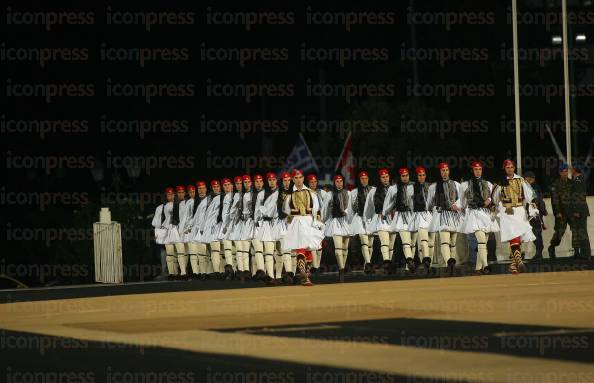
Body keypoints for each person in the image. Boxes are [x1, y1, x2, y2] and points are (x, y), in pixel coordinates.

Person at [281, 169, 325, 286]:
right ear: (292, 179)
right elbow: (286, 211)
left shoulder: (312, 193)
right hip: (297, 223)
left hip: (310, 222)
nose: (299, 180)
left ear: (303, 178)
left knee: (309, 250)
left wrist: (318, 224)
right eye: (296, 178)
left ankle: (306, 273)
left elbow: (316, 210)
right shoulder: (289, 196)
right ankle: (304, 276)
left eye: (300, 177)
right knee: (300, 249)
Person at [492, 159, 535, 274]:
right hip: (507, 212)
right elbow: (495, 199)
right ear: (504, 169)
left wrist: (532, 207)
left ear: (514, 168)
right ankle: (519, 262)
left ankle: (513, 265)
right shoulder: (500, 182)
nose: (510, 169)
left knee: (518, 239)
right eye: (507, 167)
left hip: (519, 211)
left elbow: (529, 195)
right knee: (513, 237)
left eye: (511, 167)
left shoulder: (520, 180)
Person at [459, 161, 499, 275]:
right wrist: (463, 210)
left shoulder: (488, 184)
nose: (478, 171)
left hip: (485, 214)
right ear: (472, 170)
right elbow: (462, 200)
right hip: (474, 213)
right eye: (476, 169)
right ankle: (486, 266)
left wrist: (489, 201)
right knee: (481, 241)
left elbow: (493, 197)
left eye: (479, 169)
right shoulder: (465, 184)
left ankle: (477, 268)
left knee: (483, 244)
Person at [427, 163, 463, 275]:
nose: (445, 172)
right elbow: (429, 203)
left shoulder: (456, 184)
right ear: (440, 172)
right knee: (445, 241)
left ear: (449, 171)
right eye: (443, 170)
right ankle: (449, 263)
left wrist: (457, 205)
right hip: (442, 215)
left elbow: (462, 198)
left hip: (454, 216)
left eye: (447, 170)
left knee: (452, 242)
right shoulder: (434, 186)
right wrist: (436, 208)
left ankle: (451, 265)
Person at [384, 168, 416, 274]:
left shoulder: (414, 186)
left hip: (413, 216)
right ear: (400, 176)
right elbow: (388, 203)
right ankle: (410, 261)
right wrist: (385, 213)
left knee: (412, 243)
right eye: (403, 176)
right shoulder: (393, 188)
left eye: (406, 175)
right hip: (401, 217)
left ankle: (408, 266)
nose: (405, 177)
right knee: (406, 241)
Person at [322, 174, 353, 282]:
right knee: (338, 248)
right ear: (334, 183)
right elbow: (325, 208)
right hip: (335, 221)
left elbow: (351, 208)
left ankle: (342, 268)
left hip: (345, 221)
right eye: (337, 181)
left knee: (345, 248)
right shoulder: (330, 194)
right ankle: (341, 269)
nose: (339, 183)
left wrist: (347, 214)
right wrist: (323, 220)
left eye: (340, 181)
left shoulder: (348, 193)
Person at [366, 168, 396, 273]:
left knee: (391, 244)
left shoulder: (394, 188)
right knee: (385, 242)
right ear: (380, 178)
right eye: (383, 177)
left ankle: (389, 263)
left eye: (386, 176)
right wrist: (368, 218)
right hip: (381, 218)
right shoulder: (374, 191)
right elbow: (368, 206)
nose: (385, 179)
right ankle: (386, 262)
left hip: (393, 218)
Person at [256, 172, 282, 284]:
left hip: (279, 224)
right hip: (267, 225)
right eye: (270, 179)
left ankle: (279, 276)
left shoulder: (281, 193)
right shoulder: (262, 194)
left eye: (273, 179)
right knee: (269, 252)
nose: (272, 181)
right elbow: (257, 210)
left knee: (281, 252)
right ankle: (270, 277)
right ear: (267, 181)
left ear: (276, 180)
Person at [349, 171, 375, 273]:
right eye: (362, 178)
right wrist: (350, 222)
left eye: (365, 178)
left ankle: (366, 263)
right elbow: (351, 208)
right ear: (360, 180)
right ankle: (368, 263)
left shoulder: (374, 190)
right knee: (364, 241)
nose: (364, 180)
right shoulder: (354, 192)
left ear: (368, 179)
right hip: (359, 218)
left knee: (370, 243)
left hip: (371, 218)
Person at [410, 166, 434, 273]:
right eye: (420, 175)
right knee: (423, 240)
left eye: (423, 175)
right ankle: (425, 261)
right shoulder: (412, 187)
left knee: (431, 242)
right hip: (418, 215)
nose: (422, 177)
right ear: (417, 176)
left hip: (430, 215)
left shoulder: (431, 186)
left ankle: (430, 263)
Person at [548, 163, 573, 259]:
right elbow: (554, 200)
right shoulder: (555, 184)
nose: (565, 173)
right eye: (563, 171)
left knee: (576, 231)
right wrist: (557, 212)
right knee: (559, 233)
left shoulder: (571, 183)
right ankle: (552, 247)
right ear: (559, 173)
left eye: (566, 171)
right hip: (561, 213)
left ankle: (577, 251)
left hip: (571, 212)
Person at [307, 173, 329, 272]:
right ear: (308, 183)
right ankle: (314, 266)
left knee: (319, 245)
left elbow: (328, 203)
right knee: (313, 245)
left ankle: (317, 266)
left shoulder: (322, 192)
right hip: (310, 221)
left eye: (315, 182)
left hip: (320, 221)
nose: (313, 183)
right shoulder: (306, 192)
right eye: (311, 182)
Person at [151, 187, 174, 279]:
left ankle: (174, 272)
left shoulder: (180, 205)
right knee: (164, 252)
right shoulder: (160, 208)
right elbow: (154, 222)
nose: (171, 196)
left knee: (176, 252)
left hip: (176, 232)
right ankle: (165, 271)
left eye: (172, 194)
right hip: (164, 233)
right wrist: (158, 233)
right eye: (169, 194)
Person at [524, 171, 547, 260]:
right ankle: (539, 253)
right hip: (531, 214)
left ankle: (539, 253)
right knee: (534, 234)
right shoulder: (528, 187)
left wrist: (541, 214)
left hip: (535, 215)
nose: (527, 180)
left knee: (536, 233)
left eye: (529, 178)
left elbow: (538, 201)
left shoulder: (534, 188)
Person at [569, 162, 591, 260]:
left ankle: (586, 254)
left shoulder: (578, 181)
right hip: (581, 210)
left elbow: (578, 196)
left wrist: (576, 211)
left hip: (580, 211)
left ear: (575, 169)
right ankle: (584, 253)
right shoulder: (578, 179)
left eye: (572, 168)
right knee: (581, 232)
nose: (570, 170)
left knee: (582, 232)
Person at [190, 181, 210, 279]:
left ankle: (210, 272)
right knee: (200, 253)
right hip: (197, 230)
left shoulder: (209, 200)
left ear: (206, 189)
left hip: (208, 229)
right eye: (199, 189)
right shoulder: (195, 201)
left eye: (203, 188)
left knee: (209, 253)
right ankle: (203, 273)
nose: (201, 190)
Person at [217, 178, 236, 278]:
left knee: (237, 250)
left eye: (229, 184)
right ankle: (230, 270)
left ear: (232, 185)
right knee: (227, 248)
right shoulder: (223, 197)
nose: (227, 187)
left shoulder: (237, 195)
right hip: (226, 225)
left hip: (236, 225)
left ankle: (237, 270)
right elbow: (224, 213)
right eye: (225, 185)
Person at [250, 174, 266, 281]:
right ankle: (257, 272)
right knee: (255, 250)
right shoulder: (250, 195)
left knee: (267, 251)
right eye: (256, 181)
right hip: (252, 225)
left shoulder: (267, 194)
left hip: (265, 225)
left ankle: (265, 272)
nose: (259, 183)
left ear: (263, 183)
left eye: (260, 181)